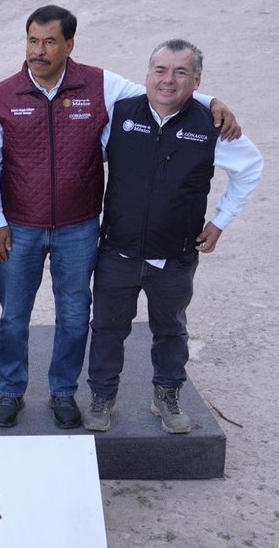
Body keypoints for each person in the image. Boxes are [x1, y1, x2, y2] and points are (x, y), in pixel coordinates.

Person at [0, 5, 240, 429]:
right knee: (13, 315)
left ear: (69, 45)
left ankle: (63, 393)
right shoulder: (2, 93)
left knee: (74, 315)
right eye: (32, 40)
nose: (38, 50)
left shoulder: (100, 85)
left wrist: (213, 102)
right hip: (20, 227)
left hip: (80, 227)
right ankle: (11, 391)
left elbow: (161, 91)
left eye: (49, 41)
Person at [84, 39, 263, 434]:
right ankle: (102, 396)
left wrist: (220, 221)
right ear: (146, 76)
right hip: (118, 251)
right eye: (161, 71)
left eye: (180, 72)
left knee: (170, 330)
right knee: (108, 328)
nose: (168, 80)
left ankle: (166, 394)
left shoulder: (210, 126)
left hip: (176, 255)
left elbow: (251, 167)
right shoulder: (118, 114)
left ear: (196, 81)